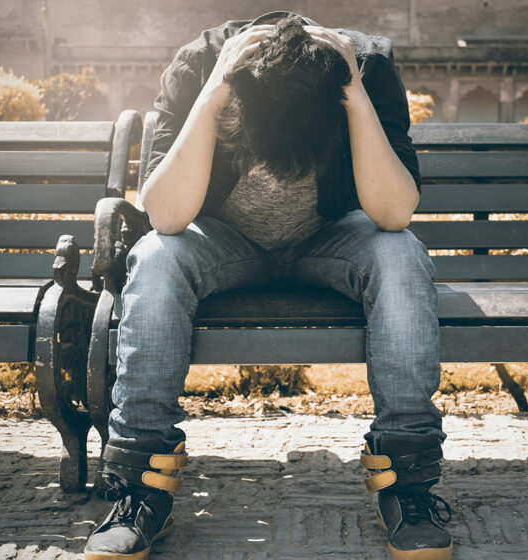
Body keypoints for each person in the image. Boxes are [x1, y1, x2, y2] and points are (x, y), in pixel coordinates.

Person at [84, 10, 452, 560]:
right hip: (224, 240)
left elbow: (394, 212)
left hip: (331, 238)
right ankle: (138, 486)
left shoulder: (366, 68)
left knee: (401, 255)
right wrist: (212, 96)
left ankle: (408, 482)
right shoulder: (199, 65)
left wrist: (352, 95)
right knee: (156, 258)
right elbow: (164, 215)